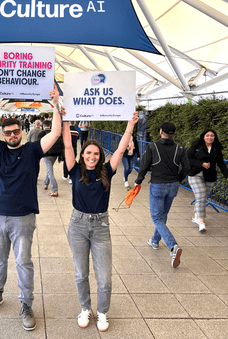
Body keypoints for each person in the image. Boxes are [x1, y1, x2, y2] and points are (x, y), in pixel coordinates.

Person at [0, 80, 64, 331]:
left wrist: (56, 105)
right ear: (3, 134)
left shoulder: (34, 150)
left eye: (15, 132)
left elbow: (55, 133)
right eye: (8, 133)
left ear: (21, 131)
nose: (12, 135)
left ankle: (26, 303)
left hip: (23, 217)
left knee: (24, 261)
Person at [63, 112, 138, 332]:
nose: (92, 156)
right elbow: (68, 146)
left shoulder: (107, 171)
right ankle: (85, 308)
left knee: (104, 277)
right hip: (77, 225)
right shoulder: (75, 170)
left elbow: (121, 149)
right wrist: (64, 118)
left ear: (100, 156)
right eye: (88, 153)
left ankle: (102, 312)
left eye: (96, 153)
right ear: (83, 154)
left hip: (101, 226)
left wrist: (130, 126)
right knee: (81, 273)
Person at [135, 122, 190, 268]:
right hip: (173, 185)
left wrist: (138, 181)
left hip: (158, 184)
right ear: (173, 133)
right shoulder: (180, 148)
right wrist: (179, 179)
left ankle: (173, 247)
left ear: (160, 132)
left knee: (156, 217)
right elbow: (187, 167)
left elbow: (144, 166)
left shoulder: (152, 146)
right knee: (163, 215)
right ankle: (154, 241)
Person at [187, 129, 228, 233]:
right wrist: (201, 163)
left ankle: (196, 216)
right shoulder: (196, 146)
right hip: (195, 175)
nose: (210, 137)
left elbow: (221, 163)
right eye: (207, 135)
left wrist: (227, 175)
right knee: (201, 195)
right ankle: (201, 222)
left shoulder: (216, 148)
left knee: (203, 198)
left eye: (212, 135)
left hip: (209, 177)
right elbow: (187, 159)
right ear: (203, 136)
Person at [38, 120, 63, 197]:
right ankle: (46, 184)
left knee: (50, 172)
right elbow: (62, 145)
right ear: (51, 125)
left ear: (43, 125)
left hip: (47, 155)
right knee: (49, 169)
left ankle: (55, 190)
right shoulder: (55, 133)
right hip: (55, 155)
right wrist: (60, 157)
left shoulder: (42, 133)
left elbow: (38, 144)